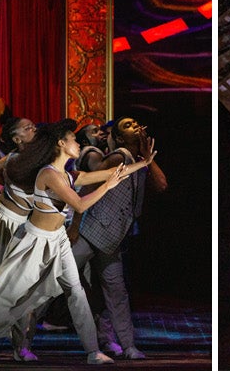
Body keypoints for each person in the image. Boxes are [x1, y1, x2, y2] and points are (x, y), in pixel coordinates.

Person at [0, 119, 134, 364]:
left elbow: (97, 175)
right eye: (27, 128)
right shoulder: (33, 168)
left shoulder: (62, 173)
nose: (33, 130)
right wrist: (14, 191)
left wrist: (142, 162)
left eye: (33, 128)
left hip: (54, 237)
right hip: (29, 236)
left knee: (71, 292)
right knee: (9, 291)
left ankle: (88, 351)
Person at [72, 117, 163, 359]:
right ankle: (22, 340)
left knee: (116, 291)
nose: (136, 125)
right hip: (90, 231)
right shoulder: (118, 157)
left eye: (136, 123)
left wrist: (147, 158)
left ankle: (128, 346)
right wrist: (74, 225)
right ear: (120, 138)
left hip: (111, 239)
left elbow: (162, 185)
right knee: (54, 281)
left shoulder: (139, 159)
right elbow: (87, 187)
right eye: (128, 125)